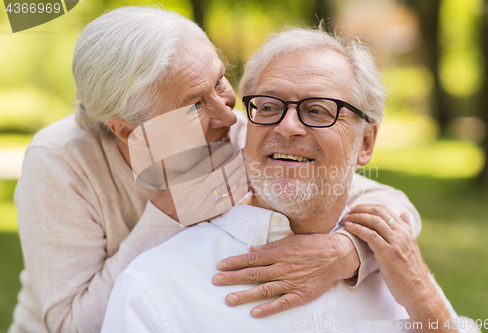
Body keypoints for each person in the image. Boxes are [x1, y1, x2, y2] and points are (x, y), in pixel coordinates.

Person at [9, 7, 422, 333]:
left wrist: (349, 249)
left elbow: (387, 200)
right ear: (129, 129)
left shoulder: (233, 128)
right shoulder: (61, 162)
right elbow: (72, 326)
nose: (226, 114)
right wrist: (168, 215)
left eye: (220, 81)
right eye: (193, 105)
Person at [101, 27, 462, 332]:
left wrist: (425, 299)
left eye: (318, 110)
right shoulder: (154, 287)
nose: (287, 126)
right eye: (269, 107)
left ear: (365, 143)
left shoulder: (399, 267)